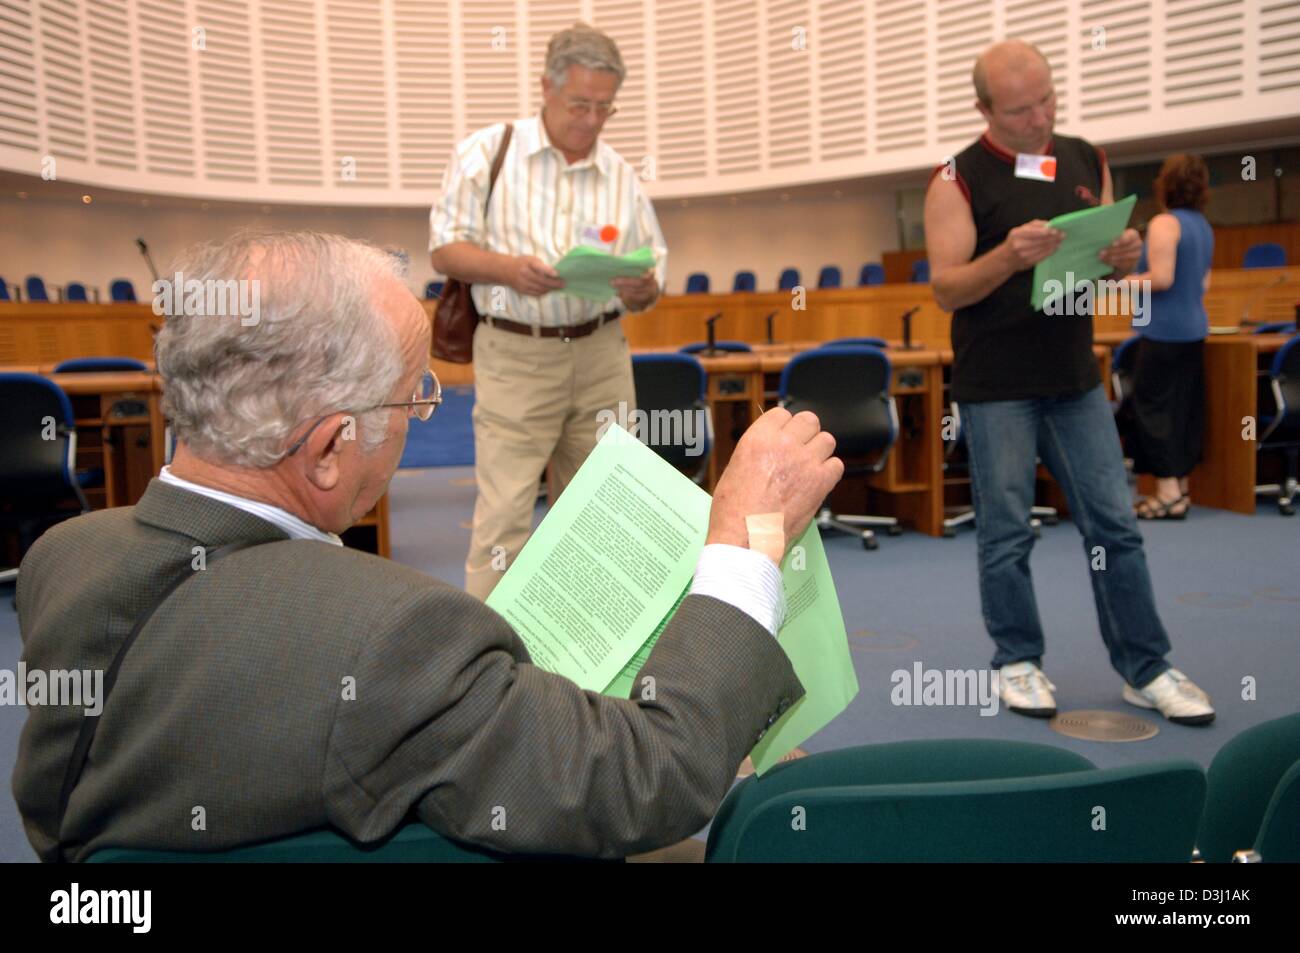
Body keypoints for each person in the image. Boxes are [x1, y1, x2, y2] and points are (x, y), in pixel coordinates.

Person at [12, 231, 843, 862]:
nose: (419, 416)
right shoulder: (393, 634)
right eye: (415, 397)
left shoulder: (65, 556)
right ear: (332, 444)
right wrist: (743, 541)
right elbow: (652, 777)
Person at [923, 40, 1214, 725]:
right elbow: (944, 287)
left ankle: (1145, 666)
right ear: (984, 109)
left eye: (1047, 99)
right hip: (996, 383)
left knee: (1115, 525)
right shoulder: (954, 178)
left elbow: (1103, 268)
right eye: (1020, 110)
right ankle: (1016, 660)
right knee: (1005, 531)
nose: (1039, 118)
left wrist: (1123, 254)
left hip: (1075, 376)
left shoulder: (1087, 157)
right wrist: (1005, 257)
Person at [429, 22, 666, 601]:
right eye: (579, 104)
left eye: (604, 108)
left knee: (606, 509)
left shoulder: (622, 177)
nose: (590, 120)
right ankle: (486, 667)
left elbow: (652, 275)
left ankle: (595, 652)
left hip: (602, 351)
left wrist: (640, 290)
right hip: (516, 351)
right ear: (546, 87)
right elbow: (445, 248)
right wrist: (508, 269)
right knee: (505, 513)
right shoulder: (486, 153)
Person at [1126, 155, 1214, 520]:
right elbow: (1204, 283)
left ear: (1165, 185)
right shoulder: (1203, 226)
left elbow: (1161, 278)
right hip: (1193, 328)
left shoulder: (1165, 223)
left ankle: (1164, 493)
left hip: (1164, 330)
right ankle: (1179, 490)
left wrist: (1119, 283)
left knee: (1151, 410)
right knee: (1182, 410)